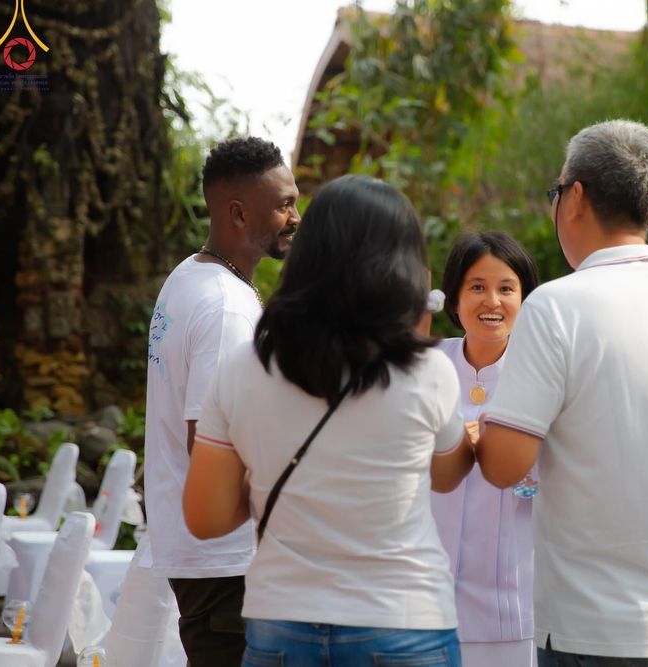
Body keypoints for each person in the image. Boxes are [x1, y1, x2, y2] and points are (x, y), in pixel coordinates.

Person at [475, 119, 648, 666]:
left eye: (556, 193)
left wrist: (472, 431)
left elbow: (504, 466)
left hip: (594, 626)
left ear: (575, 198)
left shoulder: (555, 307)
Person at [182, 174, 476, 666]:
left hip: (282, 623)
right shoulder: (427, 371)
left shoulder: (242, 368)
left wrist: (267, 478)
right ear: (405, 267)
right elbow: (446, 476)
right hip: (403, 622)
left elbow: (206, 517)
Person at [143, 136, 300, 665]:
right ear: (237, 213)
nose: (295, 217)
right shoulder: (225, 306)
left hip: (206, 553)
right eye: (283, 205)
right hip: (226, 559)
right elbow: (209, 441)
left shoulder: (189, 278)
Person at [431, 231, 540, 667]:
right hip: (426, 603)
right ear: (455, 298)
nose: (491, 301)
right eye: (477, 286)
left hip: (511, 604)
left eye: (506, 289)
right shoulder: (426, 366)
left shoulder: (543, 375)